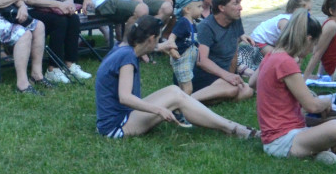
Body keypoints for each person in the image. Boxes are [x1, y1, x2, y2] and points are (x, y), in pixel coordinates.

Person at [94, 16, 254, 139]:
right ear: (150, 38)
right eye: (157, 39)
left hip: (118, 118)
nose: (157, 43)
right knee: (177, 97)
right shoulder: (127, 58)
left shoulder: (122, 48)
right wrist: (159, 109)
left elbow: (144, 48)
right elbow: (125, 97)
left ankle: (231, 126)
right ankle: (232, 128)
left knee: (174, 90)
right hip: (117, 127)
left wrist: (159, 47)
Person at [257, 9, 336, 164]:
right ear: (308, 39)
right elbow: (311, 106)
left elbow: (253, 83)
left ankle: (324, 151)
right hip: (283, 141)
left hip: (295, 132)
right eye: (313, 44)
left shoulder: (271, 56)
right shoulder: (285, 62)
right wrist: (326, 102)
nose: (312, 49)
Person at [191, 0, 255, 104]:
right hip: (204, 75)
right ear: (221, 7)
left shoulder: (235, 20)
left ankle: (212, 98)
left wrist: (232, 74)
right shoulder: (206, 27)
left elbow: (234, 51)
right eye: (235, 4)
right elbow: (201, 61)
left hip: (222, 76)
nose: (240, 8)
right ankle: (188, 101)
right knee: (233, 89)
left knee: (248, 91)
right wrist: (226, 75)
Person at [302, 0, 336, 79]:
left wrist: (319, 75)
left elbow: (326, 50)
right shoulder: (331, 25)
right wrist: (305, 79)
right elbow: (317, 53)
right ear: (331, 10)